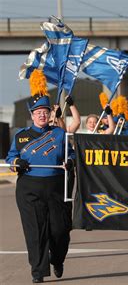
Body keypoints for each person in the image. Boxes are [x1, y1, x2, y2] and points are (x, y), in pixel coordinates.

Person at [6, 93, 74, 283]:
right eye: (38, 112)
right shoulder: (21, 136)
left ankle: (58, 259)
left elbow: (73, 155)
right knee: (35, 232)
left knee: (60, 230)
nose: (42, 115)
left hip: (56, 187)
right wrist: (17, 162)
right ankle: (38, 272)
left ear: (49, 114)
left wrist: (69, 161)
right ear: (32, 114)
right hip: (29, 188)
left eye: (45, 112)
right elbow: (10, 158)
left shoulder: (60, 134)